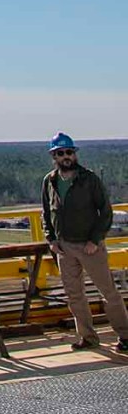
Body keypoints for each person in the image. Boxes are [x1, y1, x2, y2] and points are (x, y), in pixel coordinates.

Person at [40, 132, 128, 355]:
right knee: (74, 295)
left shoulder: (89, 180)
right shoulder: (50, 181)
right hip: (64, 247)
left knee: (108, 292)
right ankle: (88, 337)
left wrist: (95, 240)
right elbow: (46, 214)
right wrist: (51, 239)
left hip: (90, 247)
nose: (66, 156)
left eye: (69, 152)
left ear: (74, 154)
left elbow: (105, 212)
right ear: (54, 156)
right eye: (61, 153)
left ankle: (125, 335)